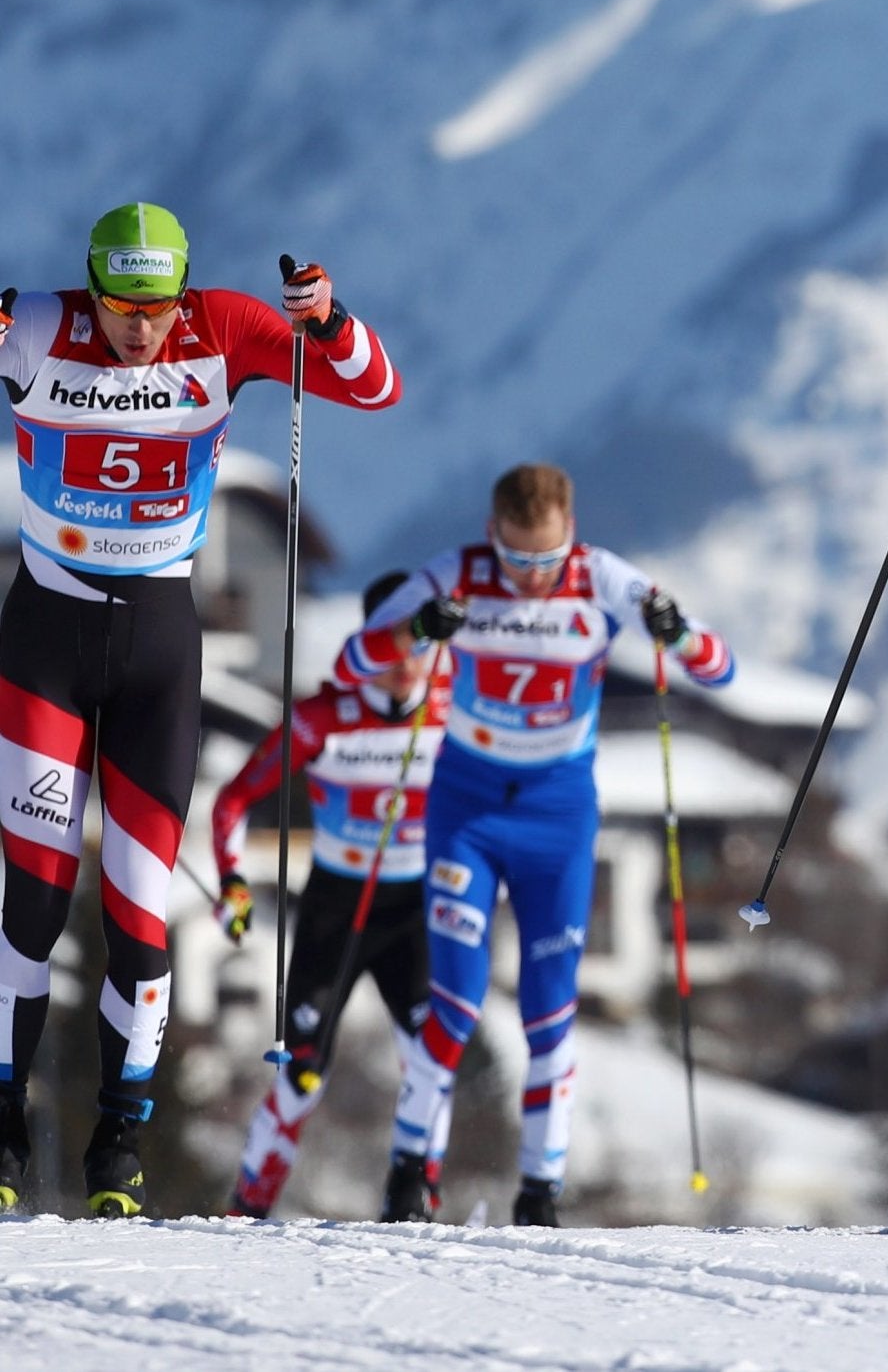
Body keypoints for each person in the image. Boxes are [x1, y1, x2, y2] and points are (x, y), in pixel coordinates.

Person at [0, 203, 398, 1217]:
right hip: (44, 642)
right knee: (36, 900)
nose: (140, 327)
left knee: (140, 908)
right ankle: (3, 1124)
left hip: (159, 650)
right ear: (92, 286)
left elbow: (373, 387)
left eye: (157, 305)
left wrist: (327, 318)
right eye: (121, 306)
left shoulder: (220, 325)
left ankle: (119, 1141)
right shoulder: (41, 326)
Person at [337, 464, 734, 1227]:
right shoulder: (458, 573)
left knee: (551, 1012)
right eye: (517, 561)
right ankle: (409, 1172)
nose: (529, 578)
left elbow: (719, 669)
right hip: (468, 813)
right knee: (452, 1003)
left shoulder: (601, 578)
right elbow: (358, 656)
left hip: (557, 820)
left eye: (545, 563)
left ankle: (540, 1190)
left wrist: (673, 629)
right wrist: (418, 632)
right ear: (495, 537)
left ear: (569, 538)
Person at [215, 570, 451, 1218]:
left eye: (419, 647)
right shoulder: (323, 718)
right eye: (390, 645)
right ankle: (247, 1208)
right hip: (335, 911)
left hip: (417, 913)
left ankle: (415, 1199)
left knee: (431, 1058)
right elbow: (235, 798)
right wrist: (232, 880)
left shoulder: (458, 712)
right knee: (301, 1077)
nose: (406, 663)